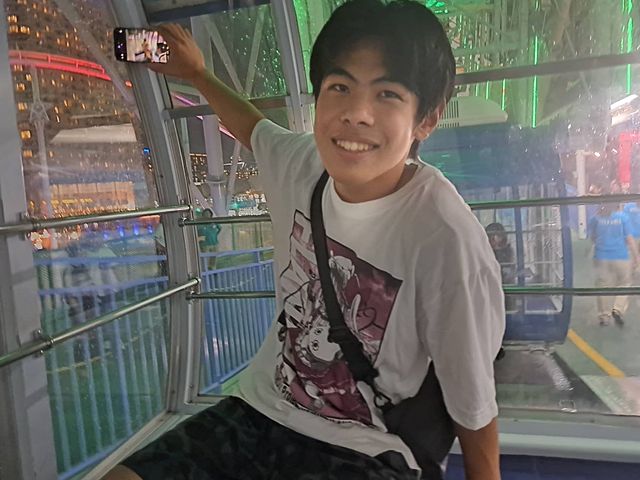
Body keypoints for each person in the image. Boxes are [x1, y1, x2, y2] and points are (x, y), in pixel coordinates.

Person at [105, 1, 504, 479]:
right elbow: (253, 128)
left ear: (426, 119)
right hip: (258, 411)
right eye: (340, 87)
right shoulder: (304, 164)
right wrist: (196, 74)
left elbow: (473, 408)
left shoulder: (447, 239)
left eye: (387, 95)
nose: (356, 114)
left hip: (365, 446)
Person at [589, 202, 638, 326]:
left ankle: (604, 316)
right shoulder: (623, 217)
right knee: (625, 283)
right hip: (621, 256)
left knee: (602, 286)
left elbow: (593, 237)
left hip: (601, 257)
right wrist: (636, 256)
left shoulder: (595, 218)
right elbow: (629, 239)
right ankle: (618, 308)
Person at [485, 222, 516, 311]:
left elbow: (508, 273)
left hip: (507, 292)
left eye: (497, 236)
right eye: (491, 236)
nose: (494, 239)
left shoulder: (508, 252)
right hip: (490, 293)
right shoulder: (485, 252)